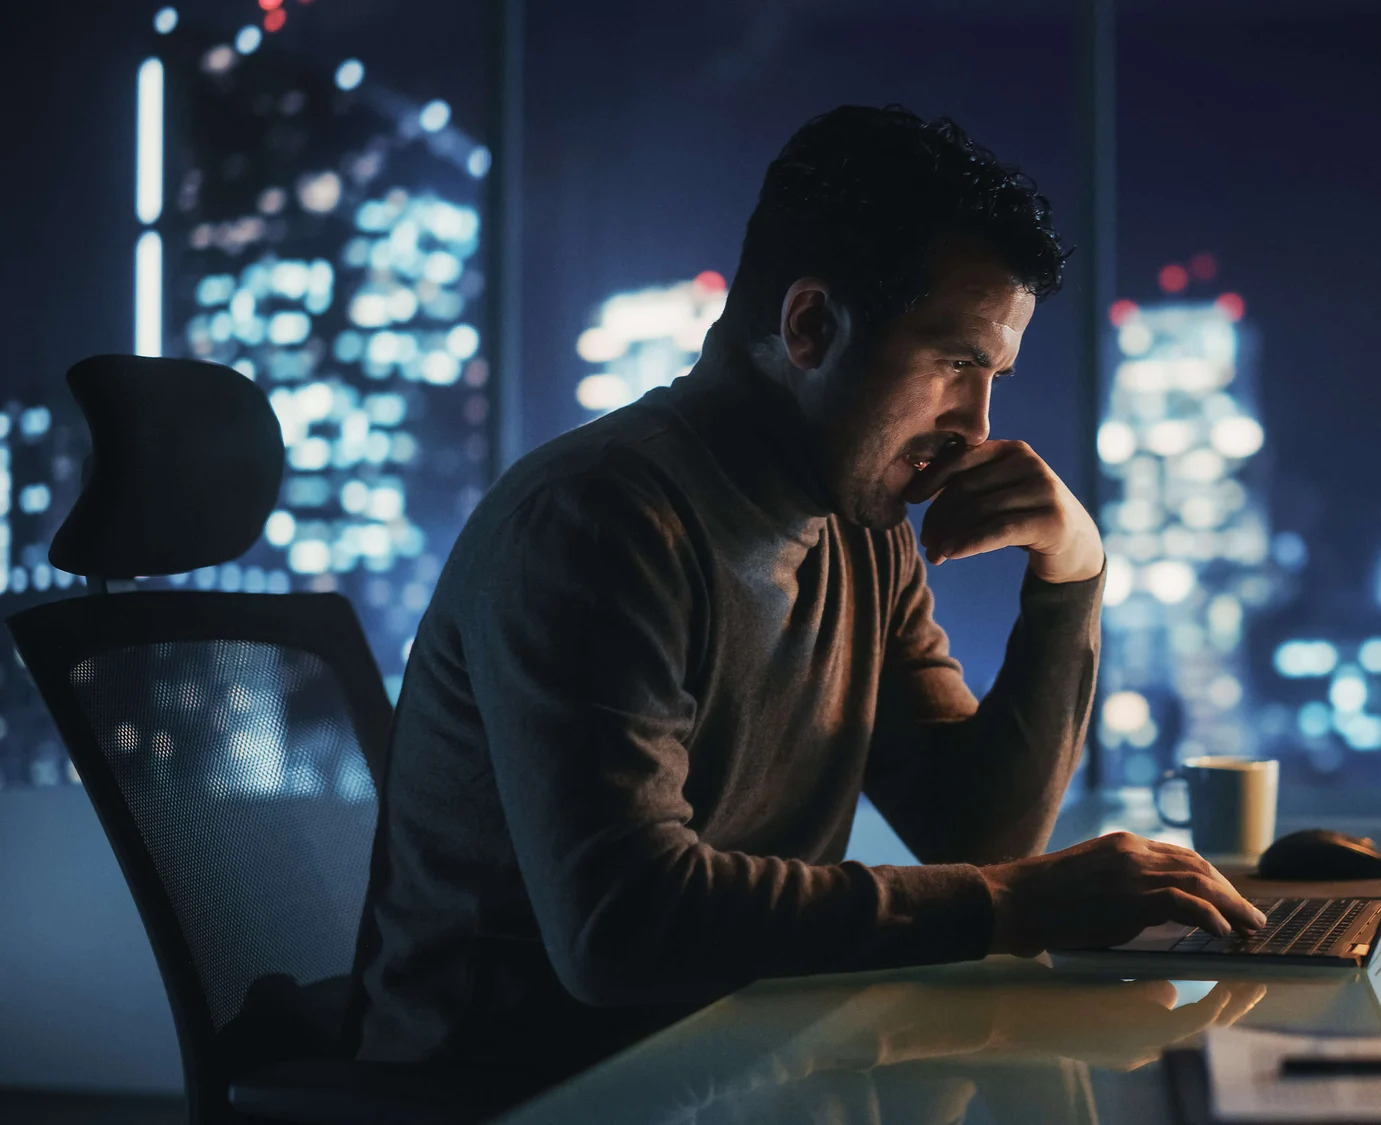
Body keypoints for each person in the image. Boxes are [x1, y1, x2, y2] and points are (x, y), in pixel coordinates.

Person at [353, 105, 1264, 1079]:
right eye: (954, 363)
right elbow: (620, 929)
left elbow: (977, 832)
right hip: (534, 1089)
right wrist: (1012, 906)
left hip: (743, 1060)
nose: (978, 423)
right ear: (810, 326)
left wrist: (1072, 575)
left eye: (991, 374)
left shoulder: (858, 532)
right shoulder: (598, 523)